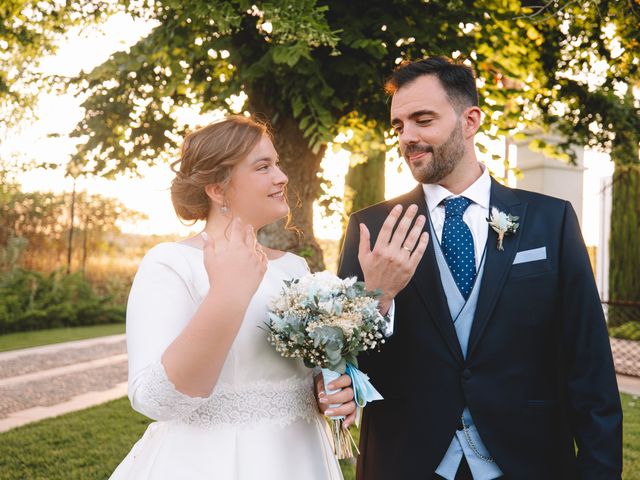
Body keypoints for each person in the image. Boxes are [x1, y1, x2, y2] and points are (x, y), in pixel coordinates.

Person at [338, 57, 622, 480]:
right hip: (407, 463)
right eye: (399, 126)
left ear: (470, 120)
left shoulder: (551, 220)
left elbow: (589, 366)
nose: (407, 138)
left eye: (422, 119)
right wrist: (376, 298)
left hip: (530, 461)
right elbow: (348, 367)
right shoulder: (371, 228)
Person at [110, 115, 356, 480]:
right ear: (218, 189)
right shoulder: (172, 263)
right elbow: (156, 399)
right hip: (212, 461)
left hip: (303, 458)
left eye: (277, 163)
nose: (282, 176)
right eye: (263, 167)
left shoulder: (294, 268)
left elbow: (298, 373)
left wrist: (327, 389)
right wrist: (227, 295)